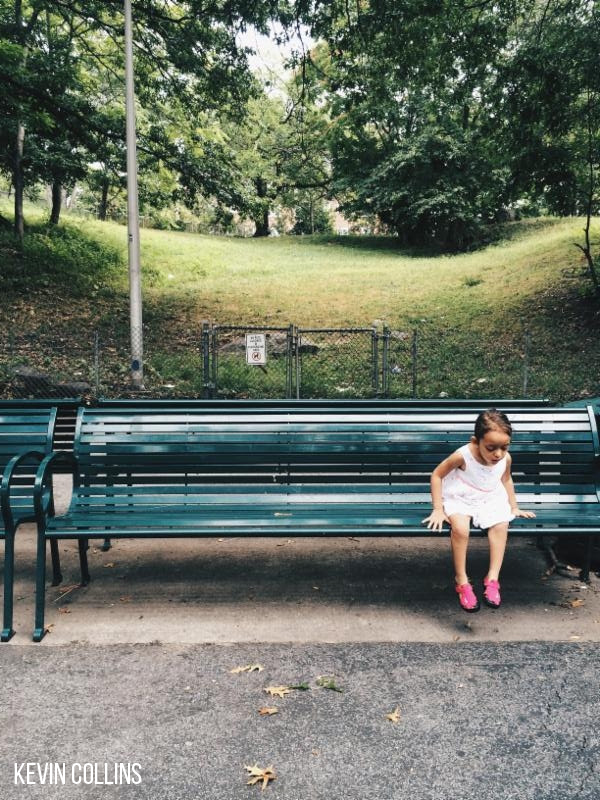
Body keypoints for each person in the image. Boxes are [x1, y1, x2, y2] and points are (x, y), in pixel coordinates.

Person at [422, 408, 536, 612]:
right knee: (460, 528)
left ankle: (492, 578)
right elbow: (437, 475)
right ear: (476, 441)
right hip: (460, 498)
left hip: (489, 498)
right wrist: (438, 509)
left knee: (502, 524)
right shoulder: (463, 455)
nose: (498, 454)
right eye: (491, 447)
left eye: (504, 447)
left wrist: (514, 506)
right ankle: (462, 580)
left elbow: (506, 478)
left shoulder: (505, 459)